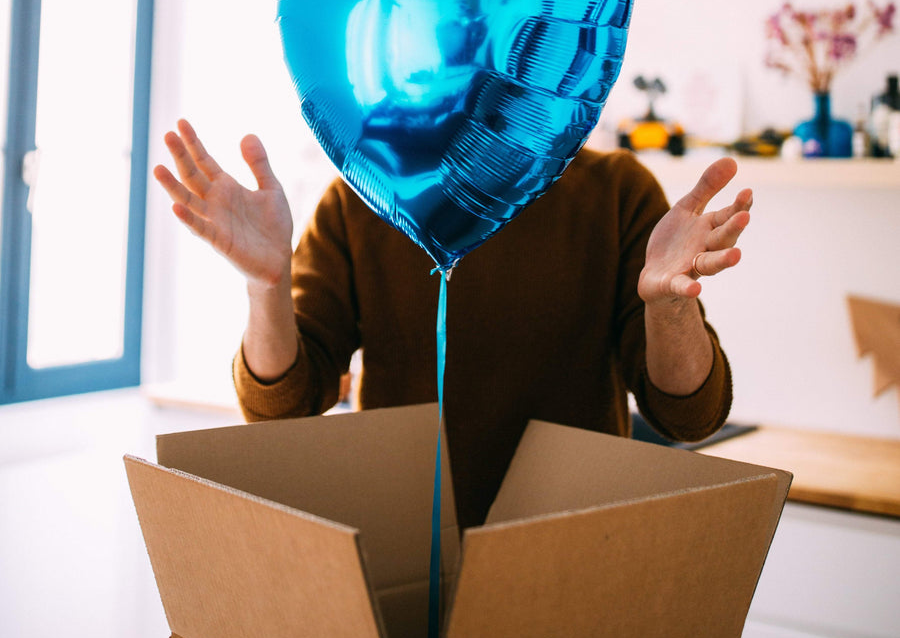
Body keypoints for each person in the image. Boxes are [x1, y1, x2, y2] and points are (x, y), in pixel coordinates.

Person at [154, 118, 751, 529]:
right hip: (403, 558)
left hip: (573, 554)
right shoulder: (362, 200)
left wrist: (670, 305)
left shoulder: (615, 191)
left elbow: (688, 415)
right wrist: (267, 285)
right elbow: (279, 406)